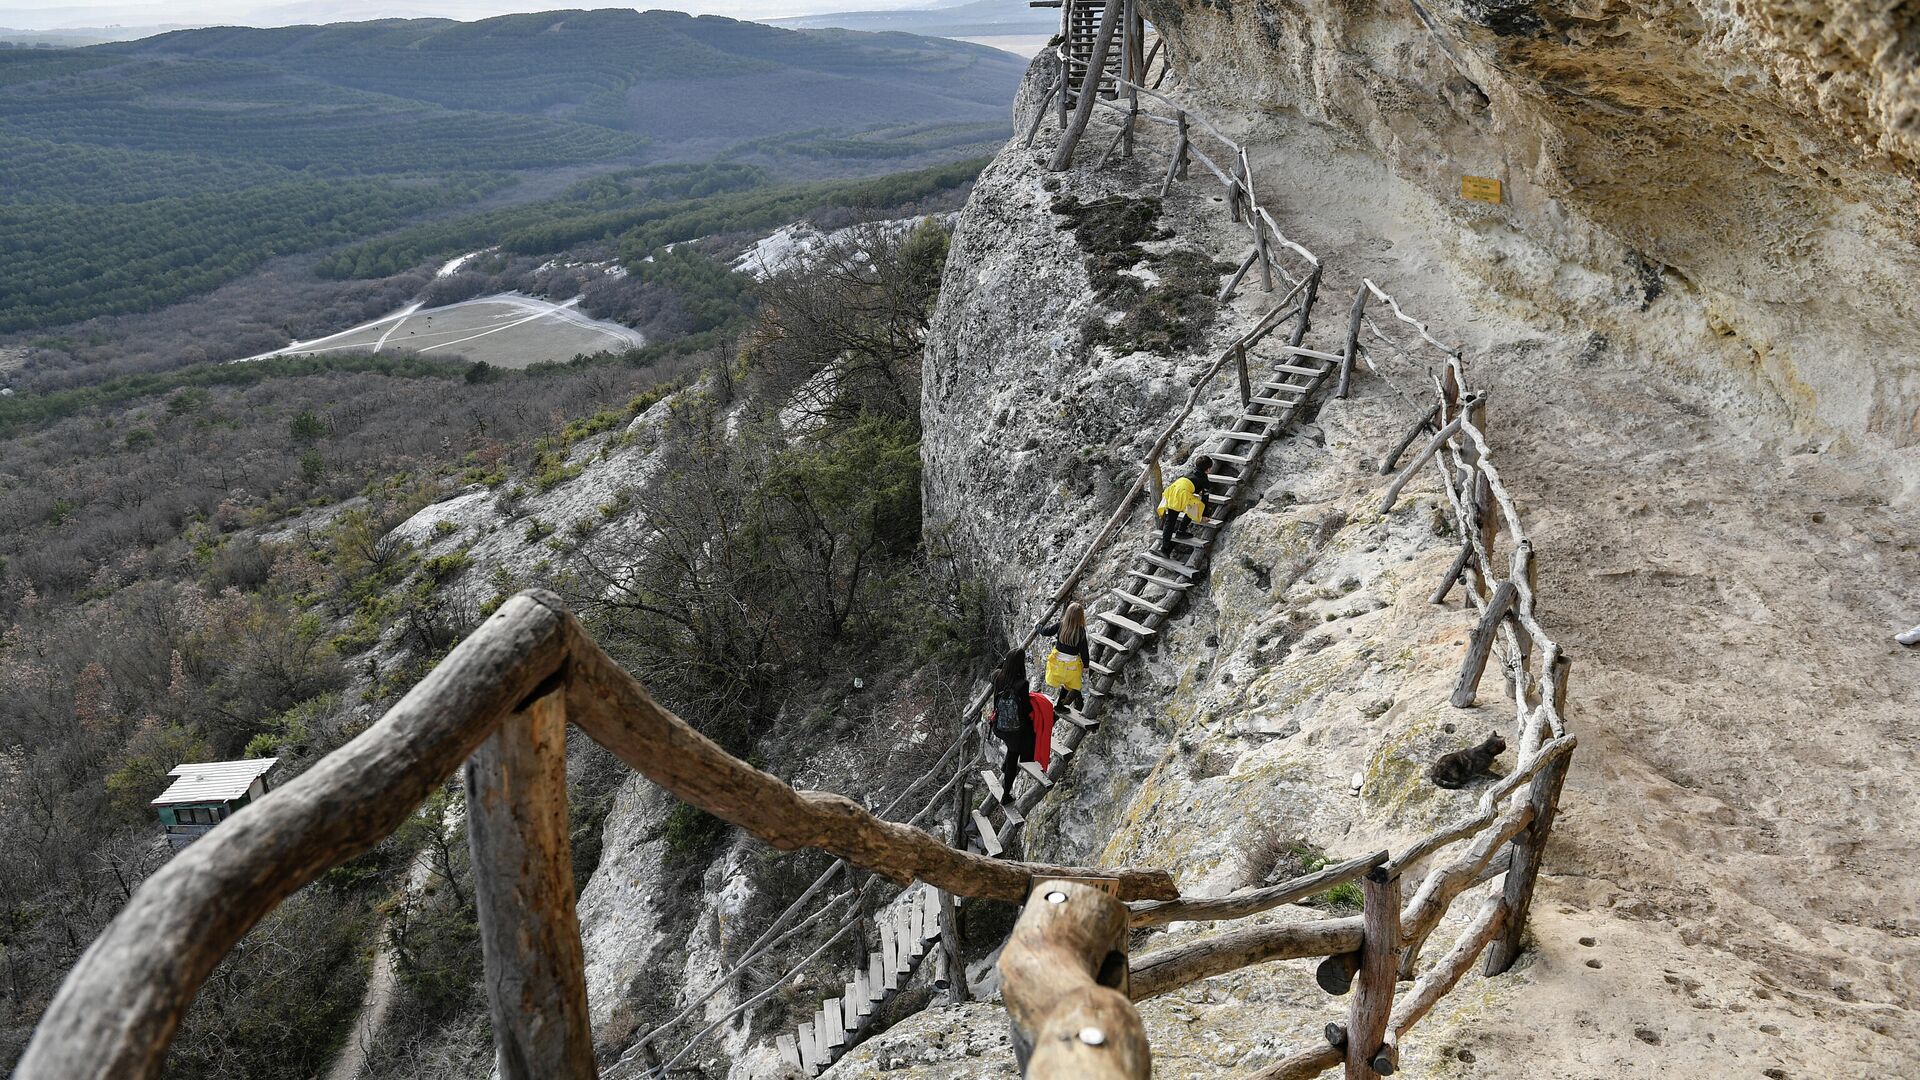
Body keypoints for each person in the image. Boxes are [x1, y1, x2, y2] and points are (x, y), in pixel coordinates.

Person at [986, 651, 1034, 801]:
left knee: (1013, 746)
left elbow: (992, 674)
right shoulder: (1022, 684)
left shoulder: (997, 676)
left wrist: (1004, 662)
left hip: (998, 726)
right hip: (1013, 729)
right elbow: (1026, 710)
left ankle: (1004, 766)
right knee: (1016, 752)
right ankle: (1006, 795)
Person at [1157, 452, 1215, 553]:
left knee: (1170, 521)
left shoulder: (1191, 472)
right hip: (1181, 494)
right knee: (1196, 506)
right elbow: (1205, 499)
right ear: (1208, 469)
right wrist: (1205, 515)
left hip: (1172, 489)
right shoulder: (1205, 481)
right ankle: (1181, 531)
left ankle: (1164, 548)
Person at [1039, 602, 1088, 713]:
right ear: (1081, 617)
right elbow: (1084, 651)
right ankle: (1060, 706)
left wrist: (1038, 626)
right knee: (1069, 685)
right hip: (1071, 665)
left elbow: (1046, 632)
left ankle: (1052, 702)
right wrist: (1086, 665)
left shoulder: (1060, 625)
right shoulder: (1081, 631)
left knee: (1058, 677)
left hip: (1057, 662)